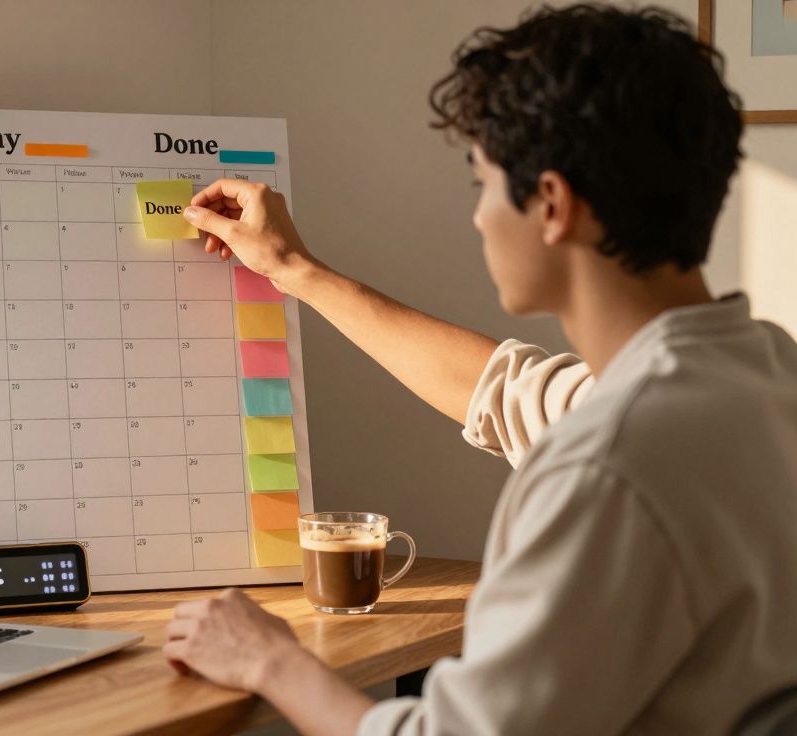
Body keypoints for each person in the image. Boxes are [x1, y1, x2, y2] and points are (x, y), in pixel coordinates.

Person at [162, 5, 797, 735]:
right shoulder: (761, 372)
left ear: (553, 204)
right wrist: (293, 270)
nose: (479, 218)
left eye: (484, 184)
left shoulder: (608, 469)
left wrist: (270, 660)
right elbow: (507, 392)